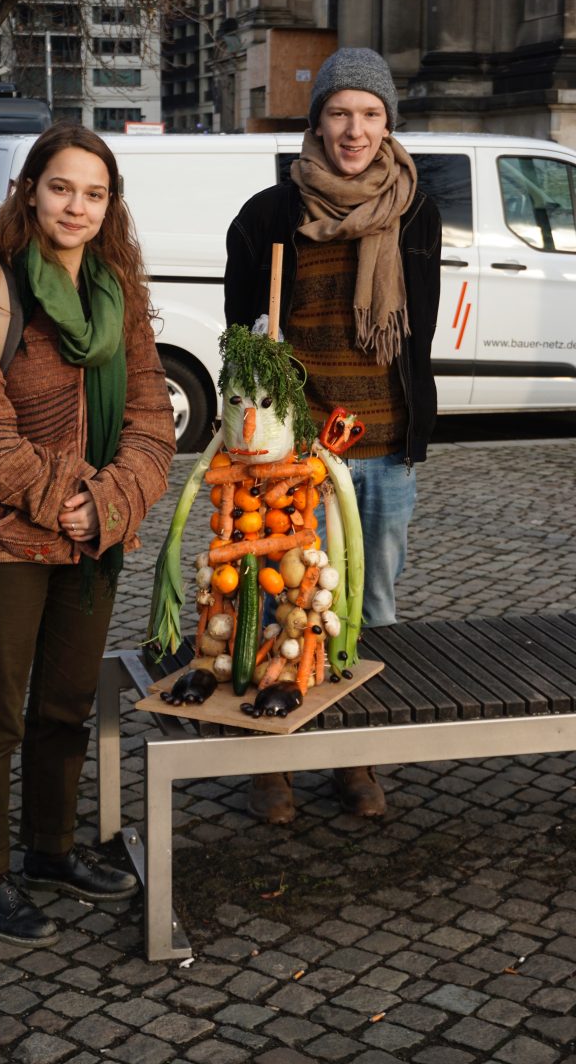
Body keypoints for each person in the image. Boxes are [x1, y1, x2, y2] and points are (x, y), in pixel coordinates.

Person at [0, 123, 176, 947]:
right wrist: (64, 496)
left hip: (91, 539)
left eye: (95, 194)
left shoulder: (121, 295)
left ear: (111, 208)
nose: (77, 206)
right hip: (2, 538)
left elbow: (152, 420)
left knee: (67, 708)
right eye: (63, 187)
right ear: (31, 190)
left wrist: (109, 504)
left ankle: (51, 849)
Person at [224, 47, 441, 825]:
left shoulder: (416, 207)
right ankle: (271, 759)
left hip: (381, 450)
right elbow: (241, 346)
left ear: (389, 125)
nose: (355, 130)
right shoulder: (268, 215)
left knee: (368, 607)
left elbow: (414, 336)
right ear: (316, 119)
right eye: (341, 112)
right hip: (293, 456)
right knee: (284, 604)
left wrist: (415, 433)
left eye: (371, 114)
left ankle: (354, 753)